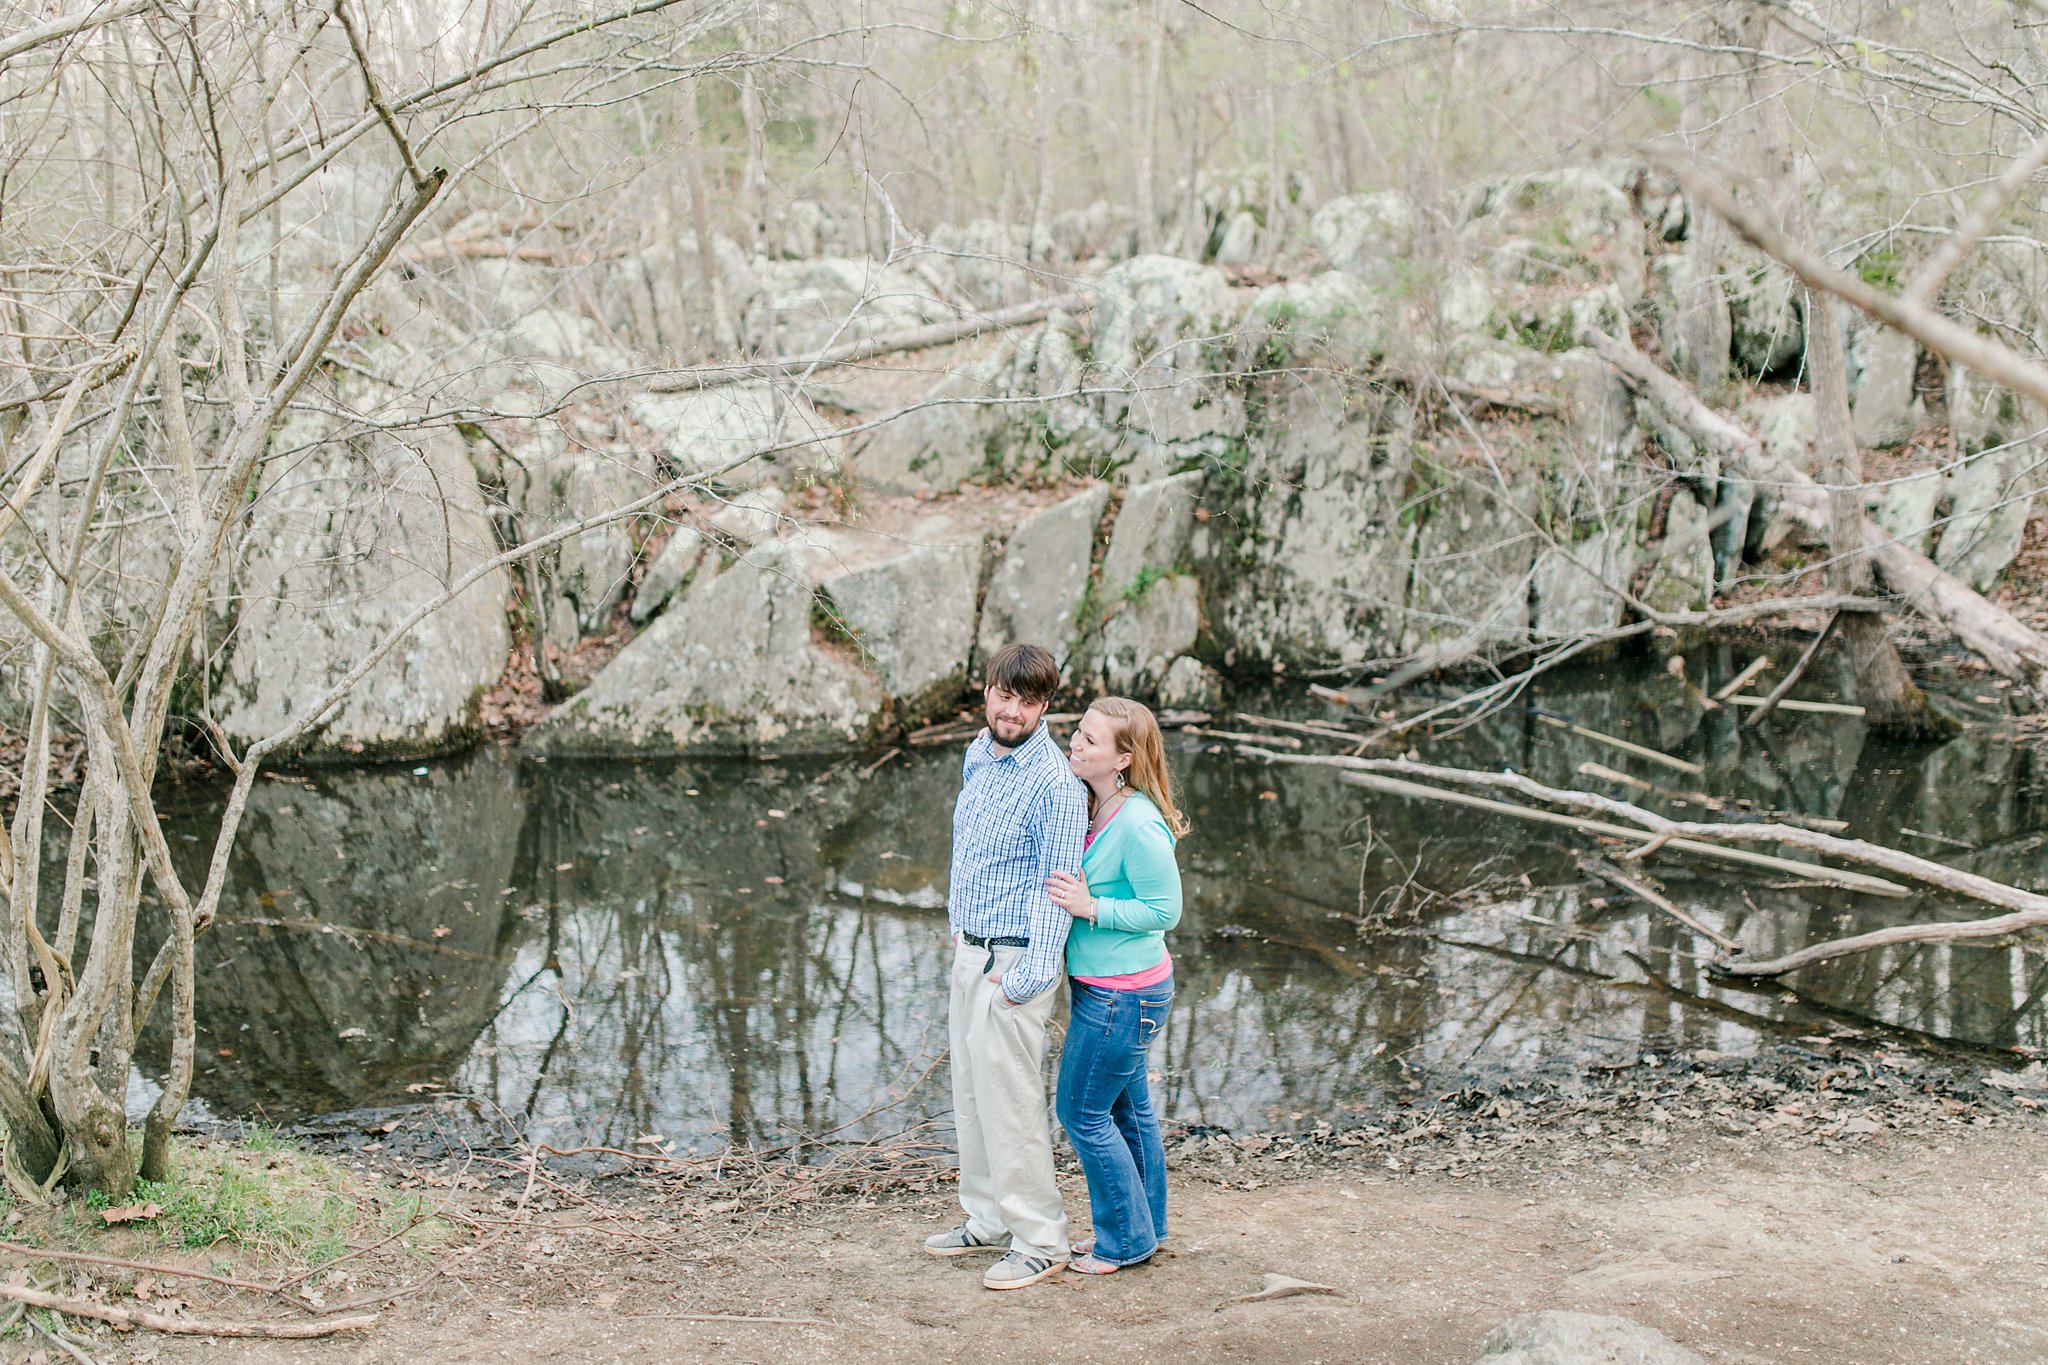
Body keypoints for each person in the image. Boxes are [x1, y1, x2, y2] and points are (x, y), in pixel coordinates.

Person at [922, 642, 1089, 1291]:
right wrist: (956, 931)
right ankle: (987, 1215)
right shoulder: (977, 753)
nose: (1010, 710)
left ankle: (1040, 1237)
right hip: (972, 947)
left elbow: (1057, 883)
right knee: (971, 1093)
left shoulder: (1054, 781)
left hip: (1014, 958)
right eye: (1002, 694)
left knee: (1012, 1102)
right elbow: (970, 852)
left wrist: (1029, 974)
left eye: (1025, 701)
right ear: (987, 689)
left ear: (1044, 705)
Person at [1047, 696, 1187, 1275]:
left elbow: (1165, 910)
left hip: (1122, 997)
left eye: (1090, 740)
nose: (1075, 743)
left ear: (1123, 758)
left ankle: (1124, 1240)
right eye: (1077, 732)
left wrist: (1091, 907)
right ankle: (1144, 1227)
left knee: (1080, 1112)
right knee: (1129, 1114)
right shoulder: (1097, 805)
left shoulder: (1137, 823)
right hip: (1110, 991)